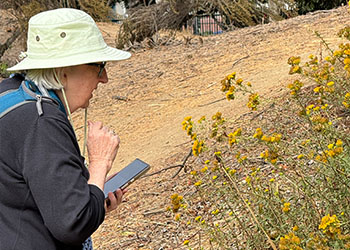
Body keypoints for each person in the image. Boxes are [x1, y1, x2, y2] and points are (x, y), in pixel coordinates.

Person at [0, 8, 131, 249]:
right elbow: (73, 223)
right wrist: (100, 163)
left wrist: (93, 189)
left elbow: (34, 191)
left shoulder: (11, 94)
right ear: (64, 73)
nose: (104, 79)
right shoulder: (42, 121)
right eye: (99, 66)